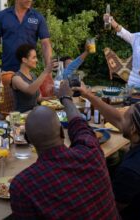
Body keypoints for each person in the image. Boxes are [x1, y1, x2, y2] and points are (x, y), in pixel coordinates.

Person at [10, 81, 119, 219]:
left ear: (28, 140)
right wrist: (65, 98)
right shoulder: (91, 152)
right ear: (62, 132)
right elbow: (79, 125)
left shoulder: (23, 186)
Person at [74, 83, 140, 220]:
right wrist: (87, 94)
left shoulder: (131, 171)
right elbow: (116, 118)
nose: (120, 116)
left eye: (125, 116)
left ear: (134, 129)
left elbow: (110, 210)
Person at [0, 0, 52, 72]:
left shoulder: (38, 17)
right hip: (7, 71)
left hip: (29, 72)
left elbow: (45, 44)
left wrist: (49, 70)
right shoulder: (2, 16)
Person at [11, 44, 52, 112]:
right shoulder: (16, 78)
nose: (36, 60)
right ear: (24, 60)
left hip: (36, 112)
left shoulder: (33, 75)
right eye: (34, 57)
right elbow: (29, 90)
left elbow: (39, 99)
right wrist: (45, 72)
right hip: (23, 116)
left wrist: (53, 98)